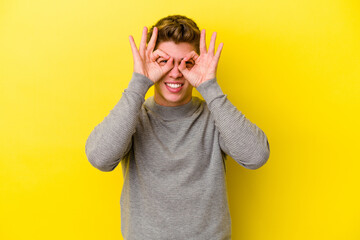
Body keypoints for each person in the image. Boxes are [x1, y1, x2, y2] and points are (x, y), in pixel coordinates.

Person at [85, 15, 270, 240]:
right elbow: (100, 159)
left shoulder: (216, 116)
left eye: (186, 63)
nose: (175, 73)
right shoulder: (132, 117)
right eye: (163, 61)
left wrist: (209, 86)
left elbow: (256, 156)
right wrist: (139, 82)